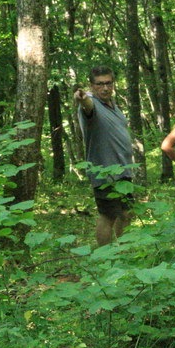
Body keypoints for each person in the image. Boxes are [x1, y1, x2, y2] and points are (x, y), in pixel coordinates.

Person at [74, 66, 135, 246]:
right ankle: (105, 257)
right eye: (100, 84)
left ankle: (123, 253)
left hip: (123, 169)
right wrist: (82, 98)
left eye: (108, 83)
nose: (105, 88)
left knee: (126, 213)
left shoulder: (113, 105)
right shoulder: (92, 105)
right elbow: (87, 106)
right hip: (104, 171)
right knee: (108, 215)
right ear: (92, 86)